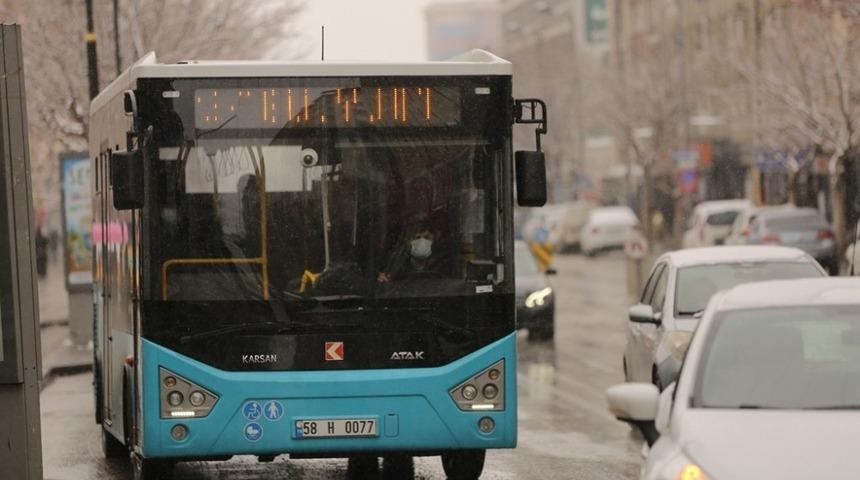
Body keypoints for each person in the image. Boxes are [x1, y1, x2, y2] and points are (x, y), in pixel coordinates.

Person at [377, 223, 444, 283]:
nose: (422, 241)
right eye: (417, 238)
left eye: (426, 238)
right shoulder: (395, 266)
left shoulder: (441, 265)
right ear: (408, 241)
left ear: (434, 240)